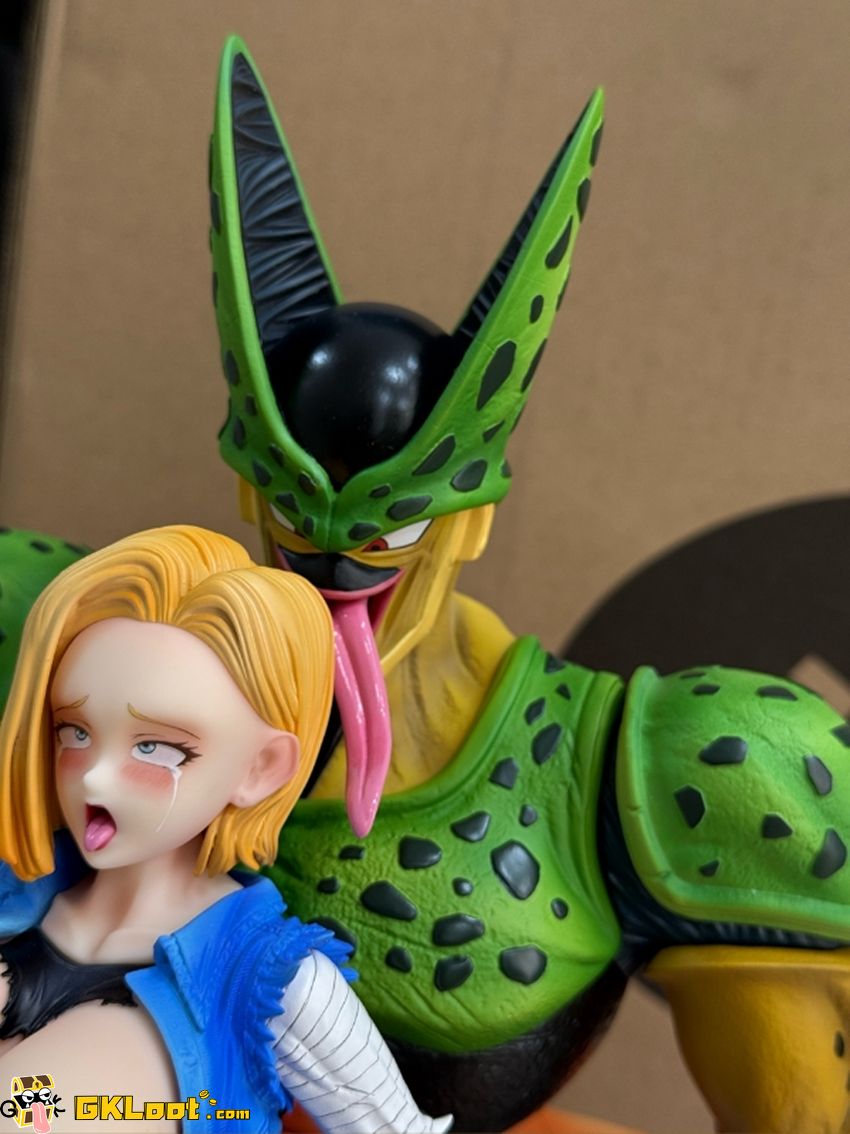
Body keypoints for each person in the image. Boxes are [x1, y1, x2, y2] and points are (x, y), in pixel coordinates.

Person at [0, 525, 452, 1134]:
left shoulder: (278, 981)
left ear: (261, 768)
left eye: (156, 748)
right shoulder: (20, 890)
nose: (95, 778)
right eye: (75, 732)